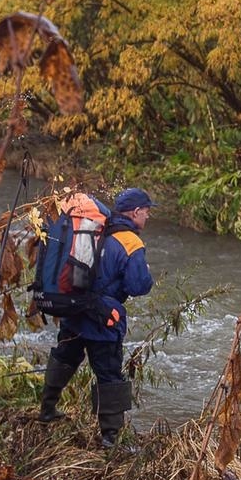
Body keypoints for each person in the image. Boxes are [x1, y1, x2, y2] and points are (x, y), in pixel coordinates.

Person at [38, 187, 156, 449]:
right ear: (136, 212)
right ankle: (111, 438)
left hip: (74, 308)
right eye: (147, 212)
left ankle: (47, 409)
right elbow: (138, 286)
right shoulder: (130, 242)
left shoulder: (94, 229)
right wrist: (146, 272)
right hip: (103, 320)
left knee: (65, 355)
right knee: (108, 373)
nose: (148, 217)